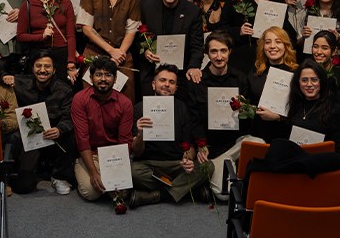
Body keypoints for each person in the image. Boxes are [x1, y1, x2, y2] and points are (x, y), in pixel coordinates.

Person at [131, 64, 212, 207]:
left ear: (176, 88)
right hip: (149, 165)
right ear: (153, 84)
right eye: (162, 80)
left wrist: (187, 160)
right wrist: (141, 133)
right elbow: (137, 152)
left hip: (176, 164)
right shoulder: (139, 108)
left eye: (172, 82)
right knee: (131, 171)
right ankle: (187, 190)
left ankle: (157, 195)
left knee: (208, 166)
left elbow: (189, 146)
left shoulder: (182, 108)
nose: (167, 85)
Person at [187, 31, 248, 197]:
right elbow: (194, 118)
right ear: (207, 53)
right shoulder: (197, 82)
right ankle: (221, 165)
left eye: (223, 51)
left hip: (235, 143)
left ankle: (224, 164)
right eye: (214, 51)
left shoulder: (240, 78)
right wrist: (201, 145)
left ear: (230, 52)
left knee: (257, 142)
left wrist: (244, 109)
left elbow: (248, 119)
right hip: (211, 146)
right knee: (225, 194)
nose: (219, 56)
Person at [71, 57, 134, 212]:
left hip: (114, 155)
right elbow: (82, 139)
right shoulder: (80, 99)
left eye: (108, 75)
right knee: (91, 192)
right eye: (99, 75)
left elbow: (125, 141)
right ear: (91, 78)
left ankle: (109, 185)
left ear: (115, 78)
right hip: (90, 154)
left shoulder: (125, 103)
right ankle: (84, 170)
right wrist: (93, 173)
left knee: (123, 191)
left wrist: (117, 172)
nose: (103, 79)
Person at [79, 0, 141, 102]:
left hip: (122, 54)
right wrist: (110, 51)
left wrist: (118, 53)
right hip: (94, 52)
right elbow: (86, 28)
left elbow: (131, 30)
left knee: (125, 101)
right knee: (90, 100)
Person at [11, 50, 75, 195]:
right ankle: (19, 172)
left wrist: (59, 129)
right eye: (38, 66)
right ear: (32, 68)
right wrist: (4, 76)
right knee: (24, 187)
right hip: (30, 139)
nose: (42, 70)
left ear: (54, 70)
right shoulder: (20, 83)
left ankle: (58, 176)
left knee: (70, 134)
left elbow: (68, 117)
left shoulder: (64, 90)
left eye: (47, 67)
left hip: (53, 138)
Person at [139, 0, 204, 96]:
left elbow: (197, 44)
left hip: (181, 72)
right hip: (152, 70)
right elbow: (138, 37)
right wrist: (145, 51)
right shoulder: (147, 7)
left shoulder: (193, 11)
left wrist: (193, 67)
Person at [16, 0, 77, 83]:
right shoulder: (28, 4)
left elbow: (70, 35)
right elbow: (20, 36)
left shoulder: (65, 3)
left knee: (60, 91)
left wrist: (71, 62)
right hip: (38, 55)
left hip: (61, 55)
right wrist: (41, 36)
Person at [221, 0, 278, 75]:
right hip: (241, 60)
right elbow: (222, 29)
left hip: (271, 59)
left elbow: (286, 29)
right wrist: (238, 31)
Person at [245, 27, 300, 144]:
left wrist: (279, 118)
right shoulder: (256, 71)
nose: (272, 46)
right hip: (257, 133)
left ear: (286, 45)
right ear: (263, 46)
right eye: (268, 42)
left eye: (278, 42)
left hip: (284, 135)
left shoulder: (296, 73)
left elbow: (301, 109)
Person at [287, 58, 340, 158]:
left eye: (314, 80)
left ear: (322, 81)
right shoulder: (295, 105)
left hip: (320, 163)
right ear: (298, 82)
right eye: (304, 80)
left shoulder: (335, 111)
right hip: (294, 160)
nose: (309, 84)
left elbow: (338, 153)